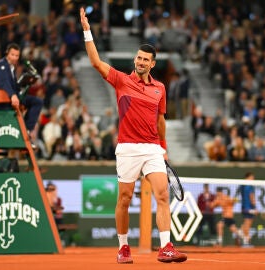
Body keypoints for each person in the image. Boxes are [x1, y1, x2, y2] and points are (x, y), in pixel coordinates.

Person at [79, 7, 187, 264]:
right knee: (125, 199)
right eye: (138, 58)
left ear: (152, 63)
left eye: (144, 60)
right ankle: (124, 246)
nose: (139, 62)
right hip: (127, 148)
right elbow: (95, 62)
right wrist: (87, 31)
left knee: (162, 195)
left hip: (152, 149)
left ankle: (166, 247)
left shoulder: (160, 88)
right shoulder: (121, 80)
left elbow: (161, 119)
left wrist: (163, 147)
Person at [0, 43, 43, 147]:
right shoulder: (1, 65)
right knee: (36, 102)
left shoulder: (11, 68)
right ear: (7, 54)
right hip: (3, 99)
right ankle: (25, 131)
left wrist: (25, 82)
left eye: (17, 55)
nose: (14, 58)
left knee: (37, 102)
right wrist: (12, 95)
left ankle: (27, 130)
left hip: (11, 97)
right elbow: (4, 83)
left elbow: (13, 85)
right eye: (12, 55)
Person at [240, 172, 257, 247]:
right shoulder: (250, 186)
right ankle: (246, 241)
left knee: (246, 224)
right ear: (247, 177)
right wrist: (254, 207)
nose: (253, 179)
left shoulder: (242, 185)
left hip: (244, 207)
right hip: (249, 207)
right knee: (248, 224)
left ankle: (243, 235)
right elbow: (251, 197)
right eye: (252, 177)